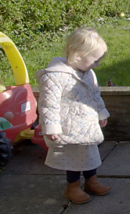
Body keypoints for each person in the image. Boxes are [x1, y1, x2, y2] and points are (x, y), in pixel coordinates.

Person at [36, 27, 111, 204]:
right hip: (68, 126)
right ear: (78, 55)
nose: (97, 64)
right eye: (95, 60)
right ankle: (73, 187)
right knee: (73, 159)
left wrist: (101, 113)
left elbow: (94, 95)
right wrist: (51, 126)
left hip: (87, 125)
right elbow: (48, 104)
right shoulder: (54, 76)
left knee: (90, 155)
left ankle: (91, 181)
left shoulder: (88, 73)